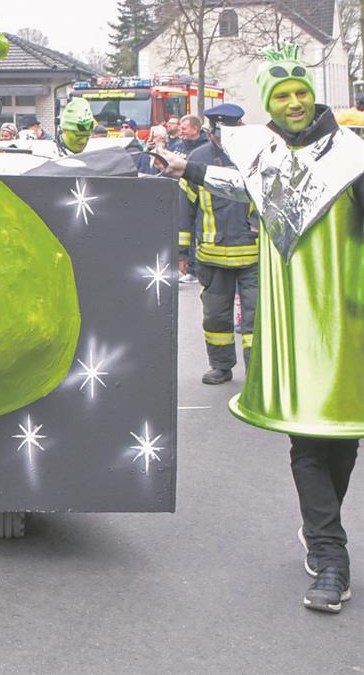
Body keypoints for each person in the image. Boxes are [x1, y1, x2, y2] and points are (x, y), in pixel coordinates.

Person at [160, 46, 363, 614]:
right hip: (292, 317)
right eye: (282, 96)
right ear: (269, 104)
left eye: (300, 91)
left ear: (312, 95)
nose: (294, 102)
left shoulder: (354, 154)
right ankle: (330, 556)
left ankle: (320, 533)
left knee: (343, 437)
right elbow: (238, 185)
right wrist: (186, 167)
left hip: (349, 320)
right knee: (307, 435)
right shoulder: (264, 153)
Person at [178, 103, 259, 385]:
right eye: (218, 133)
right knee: (215, 319)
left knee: (254, 321)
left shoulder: (256, 157)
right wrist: (181, 252)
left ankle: (256, 371)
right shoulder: (196, 160)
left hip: (253, 255)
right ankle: (221, 366)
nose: (222, 138)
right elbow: (184, 210)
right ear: (209, 133)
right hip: (212, 257)